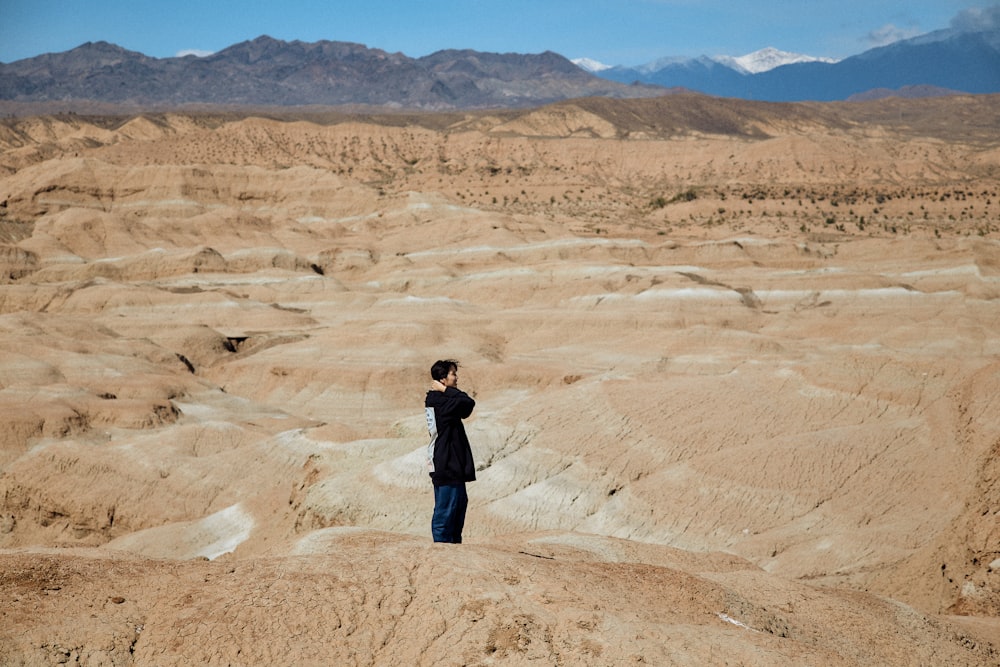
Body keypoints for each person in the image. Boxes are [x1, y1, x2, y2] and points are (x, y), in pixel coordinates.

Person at [424, 359, 476, 543]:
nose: (456, 377)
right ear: (442, 379)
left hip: (454, 464)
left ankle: (454, 549)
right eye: (453, 373)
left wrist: (446, 390)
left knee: (458, 508)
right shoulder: (437, 400)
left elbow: (466, 407)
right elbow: (467, 402)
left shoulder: (445, 399)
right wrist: (446, 391)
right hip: (445, 463)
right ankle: (441, 551)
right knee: (445, 511)